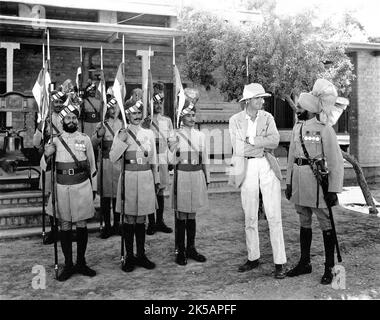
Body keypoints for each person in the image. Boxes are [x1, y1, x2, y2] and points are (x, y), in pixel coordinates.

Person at [285, 79, 344, 285]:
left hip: (318, 184)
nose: (297, 109)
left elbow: (335, 161)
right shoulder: (297, 128)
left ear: (309, 109)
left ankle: (329, 268)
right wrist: (289, 182)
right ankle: (304, 262)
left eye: (300, 106)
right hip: (300, 182)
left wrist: (334, 189)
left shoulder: (324, 128)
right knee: (303, 221)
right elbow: (292, 156)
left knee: (325, 223)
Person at [228, 83, 286, 279]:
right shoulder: (235, 120)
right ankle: (253, 258)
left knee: (274, 215)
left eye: (263, 98)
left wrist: (251, 140)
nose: (262, 101)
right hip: (246, 168)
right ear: (248, 101)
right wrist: (262, 143)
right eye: (258, 98)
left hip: (267, 165)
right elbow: (238, 148)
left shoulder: (268, 117)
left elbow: (275, 141)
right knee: (250, 216)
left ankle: (280, 262)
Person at [42, 100, 97, 281]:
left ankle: (81, 262)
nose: (71, 120)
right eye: (68, 118)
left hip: (81, 186)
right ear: (63, 121)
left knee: (81, 225)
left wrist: (94, 188)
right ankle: (68, 264)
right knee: (65, 225)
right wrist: (46, 154)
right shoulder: (54, 140)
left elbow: (92, 165)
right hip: (62, 188)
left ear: (77, 119)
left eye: (74, 117)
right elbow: (43, 167)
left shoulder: (85, 139)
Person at [109, 98, 159, 272]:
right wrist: (121, 141)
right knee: (130, 217)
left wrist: (156, 179)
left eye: (139, 113)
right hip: (129, 177)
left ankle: (141, 255)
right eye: (133, 113)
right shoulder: (121, 133)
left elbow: (153, 160)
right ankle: (129, 256)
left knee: (141, 218)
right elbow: (113, 158)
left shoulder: (149, 134)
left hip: (145, 177)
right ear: (127, 114)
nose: (137, 116)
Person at [169, 88, 209, 266]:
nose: (192, 118)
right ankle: (180, 249)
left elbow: (205, 160)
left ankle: (191, 248)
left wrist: (205, 179)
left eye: (194, 115)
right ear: (182, 117)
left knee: (192, 214)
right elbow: (169, 160)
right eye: (188, 115)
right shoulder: (175, 135)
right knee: (181, 214)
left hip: (196, 175)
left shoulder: (201, 136)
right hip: (182, 176)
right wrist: (175, 148)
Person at [142, 82, 174, 235]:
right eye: (155, 102)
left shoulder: (167, 121)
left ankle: (160, 221)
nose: (158, 105)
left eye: (161, 102)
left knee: (161, 191)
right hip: (151, 160)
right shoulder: (146, 121)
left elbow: (171, 141)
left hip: (162, 159)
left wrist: (171, 160)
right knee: (151, 190)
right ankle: (151, 223)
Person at [91, 94, 123, 239]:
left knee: (117, 195)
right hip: (105, 162)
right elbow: (92, 144)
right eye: (110, 106)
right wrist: (99, 135)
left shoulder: (123, 125)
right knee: (105, 197)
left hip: (118, 163)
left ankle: (117, 224)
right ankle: (107, 226)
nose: (113, 109)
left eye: (115, 106)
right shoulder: (101, 124)